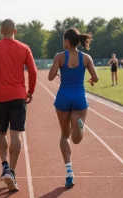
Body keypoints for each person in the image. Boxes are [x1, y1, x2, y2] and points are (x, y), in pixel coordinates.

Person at [0, 18, 37, 191]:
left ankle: (4, 166)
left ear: (0, 31)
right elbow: (33, 72)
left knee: (1, 132)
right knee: (16, 136)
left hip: (0, 97)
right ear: (15, 31)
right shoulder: (24, 48)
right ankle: (11, 171)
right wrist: (30, 91)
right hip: (19, 96)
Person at [48, 28, 98, 188]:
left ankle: (69, 172)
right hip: (79, 98)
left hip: (63, 97)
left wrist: (58, 72)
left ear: (67, 41)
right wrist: (90, 80)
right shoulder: (86, 57)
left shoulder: (59, 56)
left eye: (64, 40)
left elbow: (50, 76)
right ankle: (80, 127)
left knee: (64, 135)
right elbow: (95, 78)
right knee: (77, 139)